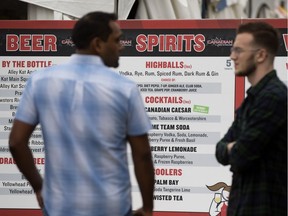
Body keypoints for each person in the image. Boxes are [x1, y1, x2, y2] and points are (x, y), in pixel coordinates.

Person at [9, 11, 154, 216]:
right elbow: (143, 154)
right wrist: (148, 208)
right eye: (117, 40)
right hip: (112, 208)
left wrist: (39, 186)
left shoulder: (39, 81)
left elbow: (16, 142)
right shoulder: (125, 89)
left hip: (59, 207)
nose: (121, 46)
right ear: (97, 44)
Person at [215, 21, 287, 216]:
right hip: (242, 205)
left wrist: (233, 147)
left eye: (239, 50)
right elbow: (220, 150)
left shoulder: (274, 97)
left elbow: (240, 155)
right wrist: (231, 147)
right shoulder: (252, 100)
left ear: (261, 55)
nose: (232, 56)